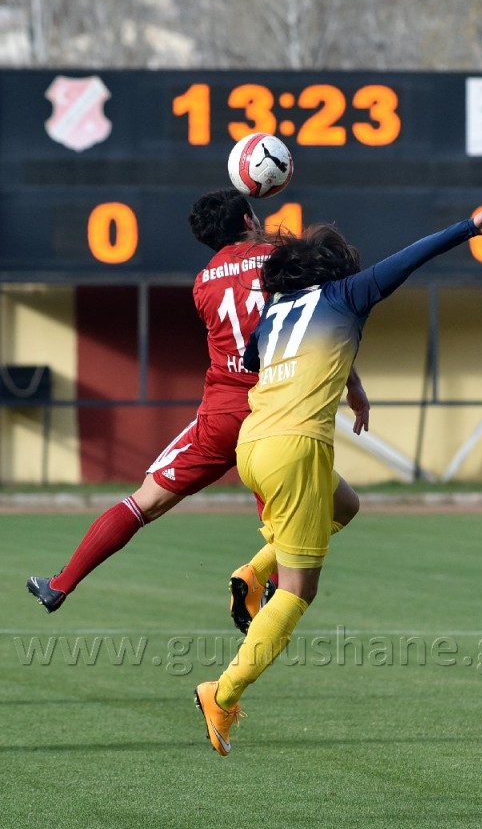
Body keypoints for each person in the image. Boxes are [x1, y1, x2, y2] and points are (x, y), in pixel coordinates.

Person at [194, 203, 482, 756]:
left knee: (345, 505)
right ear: (334, 270)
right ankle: (222, 693)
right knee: (298, 592)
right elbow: (409, 259)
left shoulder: (272, 315)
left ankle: (252, 571)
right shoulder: (345, 295)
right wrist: (469, 227)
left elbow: (246, 359)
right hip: (296, 448)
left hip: (253, 442)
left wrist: (345, 382)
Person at [26, 189, 369, 633]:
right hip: (276, 414)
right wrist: (354, 385)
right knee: (326, 512)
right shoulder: (279, 259)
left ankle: (61, 584)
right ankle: (260, 582)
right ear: (249, 217)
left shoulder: (203, 282)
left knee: (144, 502)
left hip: (222, 417)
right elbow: (313, 324)